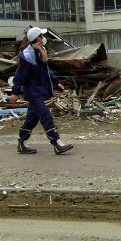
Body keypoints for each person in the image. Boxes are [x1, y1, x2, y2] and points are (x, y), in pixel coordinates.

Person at [9, 27, 74, 155]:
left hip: (39, 90)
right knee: (46, 115)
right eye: (42, 36)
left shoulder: (39, 51)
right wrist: (15, 92)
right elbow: (20, 75)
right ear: (37, 38)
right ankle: (57, 144)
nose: (44, 38)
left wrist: (56, 82)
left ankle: (21, 143)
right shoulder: (27, 56)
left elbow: (47, 70)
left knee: (32, 119)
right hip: (33, 92)